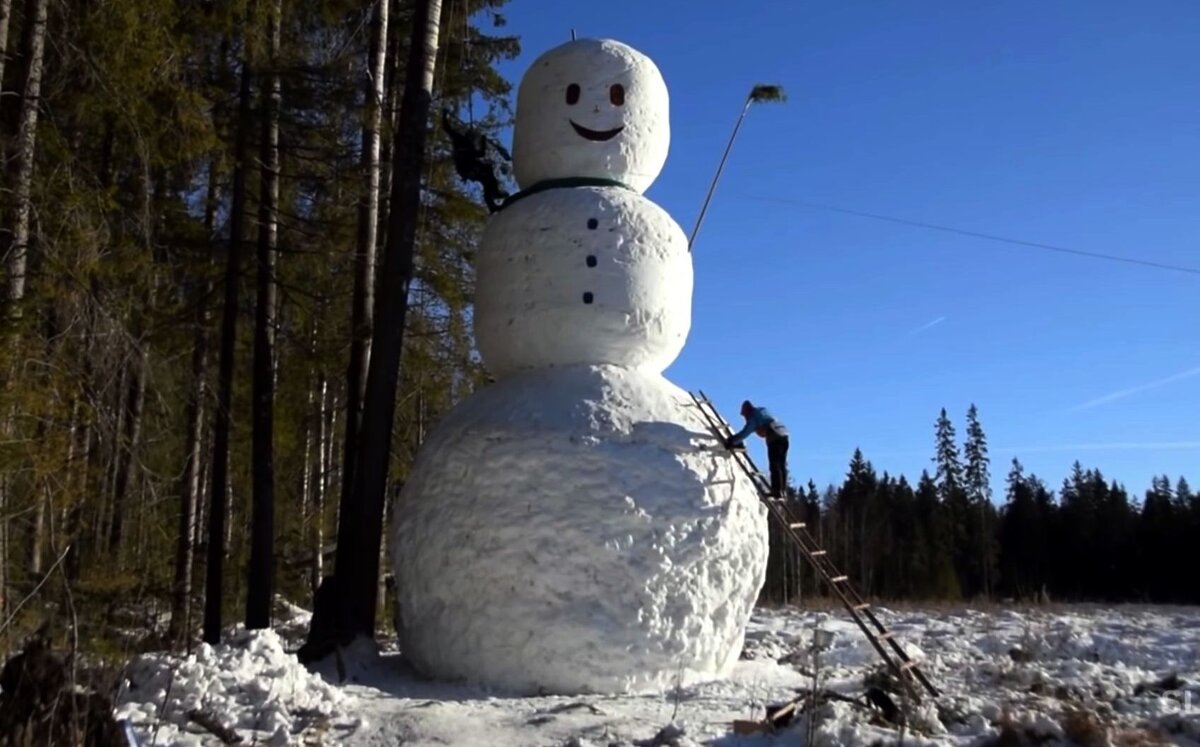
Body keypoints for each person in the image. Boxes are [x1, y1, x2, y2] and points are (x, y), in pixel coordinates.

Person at [441, 109, 512, 213]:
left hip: (470, 168)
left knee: (487, 176)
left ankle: (494, 197)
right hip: (466, 167)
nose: (474, 140)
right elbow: (447, 129)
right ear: (469, 136)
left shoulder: (470, 146)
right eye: (473, 138)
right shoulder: (460, 140)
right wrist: (444, 116)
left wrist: (483, 141)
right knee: (486, 175)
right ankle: (494, 196)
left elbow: (481, 154)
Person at [724, 400, 789, 498]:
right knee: (781, 464)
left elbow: (745, 432)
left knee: (774, 464)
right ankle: (782, 491)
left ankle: (776, 491)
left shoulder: (753, 418)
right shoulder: (762, 410)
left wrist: (732, 441)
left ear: (747, 412)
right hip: (784, 435)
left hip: (774, 436)